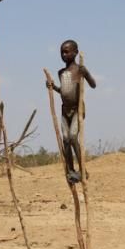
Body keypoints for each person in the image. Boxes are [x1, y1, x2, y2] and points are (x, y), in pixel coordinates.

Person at [46, 40, 97, 184]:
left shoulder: (79, 70)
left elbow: (93, 85)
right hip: (64, 110)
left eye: (67, 51)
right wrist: (53, 87)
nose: (64, 54)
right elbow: (64, 91)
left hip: (77, 110)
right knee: (66, 140)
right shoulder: (61, 72)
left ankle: (83, 170)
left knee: (73, 137)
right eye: (62, 52)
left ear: (75, 52)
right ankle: (71, 170)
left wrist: (86, 73)